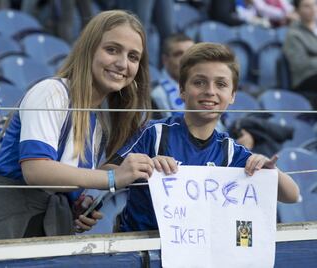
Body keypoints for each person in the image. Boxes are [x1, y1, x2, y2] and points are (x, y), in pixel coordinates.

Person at [0, 10, 155, 242]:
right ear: (88, 49)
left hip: (45, 236)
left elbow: (66, 180)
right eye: (112, 50)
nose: (122, 64)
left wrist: (77, 205)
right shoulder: (51, 92)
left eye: (133, 57)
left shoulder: (99, 121)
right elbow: (36, 170)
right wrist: (111, 179)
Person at [109, 42, 300, 232]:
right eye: (199, 82)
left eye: (221, 84)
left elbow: (291, 195)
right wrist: (143, 165)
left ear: (232, 95)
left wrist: (269, 169)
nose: (210, 91)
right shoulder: (153, 133)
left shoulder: (231, 151)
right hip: (141, 252)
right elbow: (107, 171)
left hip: (198, 251)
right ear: (182, 90)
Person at [283, 0, 317, 108]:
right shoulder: (293, 35)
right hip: (306, 78)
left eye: (314, 4)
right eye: (307, 6)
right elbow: (300, 64)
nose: (312, 9)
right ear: (297, 10)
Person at [151, 33, 194, 118]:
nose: (186, 59)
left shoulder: (207, 88)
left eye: (192, 54)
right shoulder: (156, 94)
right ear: (165, 60)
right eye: (179, 54)